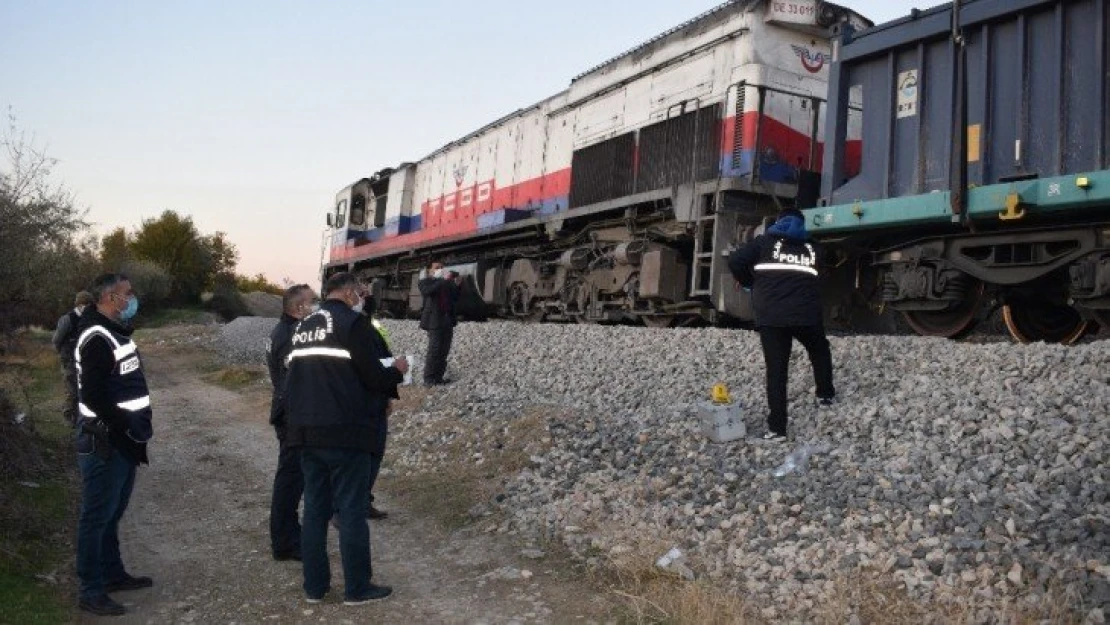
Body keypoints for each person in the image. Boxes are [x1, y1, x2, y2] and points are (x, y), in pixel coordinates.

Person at [283, 272, 408, 605]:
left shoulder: (303, 326)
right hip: (345, 432)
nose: (361, 297)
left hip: (306, 432)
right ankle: (357, 588)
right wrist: (398, 369)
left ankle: (314, 587)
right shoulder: (353, 324)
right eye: (360, 292)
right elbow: (374, 376)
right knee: (351, 510)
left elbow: (291, 377)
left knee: (314, 511)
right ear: (351, 292)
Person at [73, 274, 154, 616]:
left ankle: (112, 574)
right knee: (96, 517)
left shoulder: (113, 331)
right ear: (109, 298)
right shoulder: (95, 337)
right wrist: (124, 425)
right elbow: (92, 393)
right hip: (106, 439)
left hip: (123, 439)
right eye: (127, 294)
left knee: (112, 514)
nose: (132, 299)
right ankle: (91, 590)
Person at [727, 208, 836, 441]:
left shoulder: (764, 242)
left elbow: (735, 260)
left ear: (778, 222)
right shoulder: (813, 248)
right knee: (819, 350)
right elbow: (826, 270)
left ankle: (777, 429)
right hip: (806, 315)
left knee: (777, 371)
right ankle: (825, 394)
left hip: (772, 317)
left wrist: (749, 283)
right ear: (801, 224)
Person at [266, 284, 317, 561]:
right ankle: (284, 541)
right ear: (299, 308)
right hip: (292, 417)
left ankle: (287, 533)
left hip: (290, 414)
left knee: (292, 479)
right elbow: (292, 383)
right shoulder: (289, 336)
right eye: (312, 302)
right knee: (289, 480)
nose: (316, 307)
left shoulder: (286, 330)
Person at [359, 293, 398, 521]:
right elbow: (371, 369)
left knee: (373, 454)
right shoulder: (358, 329)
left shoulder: (370, 325)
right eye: (362, 292)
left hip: (376, 397)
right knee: (369, 454)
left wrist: (387, 396)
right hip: (367, 401)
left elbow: (382, 356)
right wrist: (396, 372)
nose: (367, 295)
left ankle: (362, 499)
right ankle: (353, 503)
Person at [52, 291, 94, 427]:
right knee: (72, 390)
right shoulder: (67, 319)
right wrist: (62, 354)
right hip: (70, 359)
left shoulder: (92, 319)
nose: (88, 307)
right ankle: (70, 418)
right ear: (79, 304)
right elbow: (57, 340)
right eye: (85, 304)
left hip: (87, 359)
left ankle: (86, 419)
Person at [418, 261, 461, 386]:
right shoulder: (425, 281)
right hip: (434, 321)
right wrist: (443, 280)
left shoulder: (446, 282)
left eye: (442, 267)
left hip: (447, 319)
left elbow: (455, 297)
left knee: (444, 350)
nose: (440, 270)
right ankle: (428, 379)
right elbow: (427, 291)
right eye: (437, 268)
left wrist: (458, 285)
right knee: (434, 349)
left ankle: (438, 377)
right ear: (430, 270)